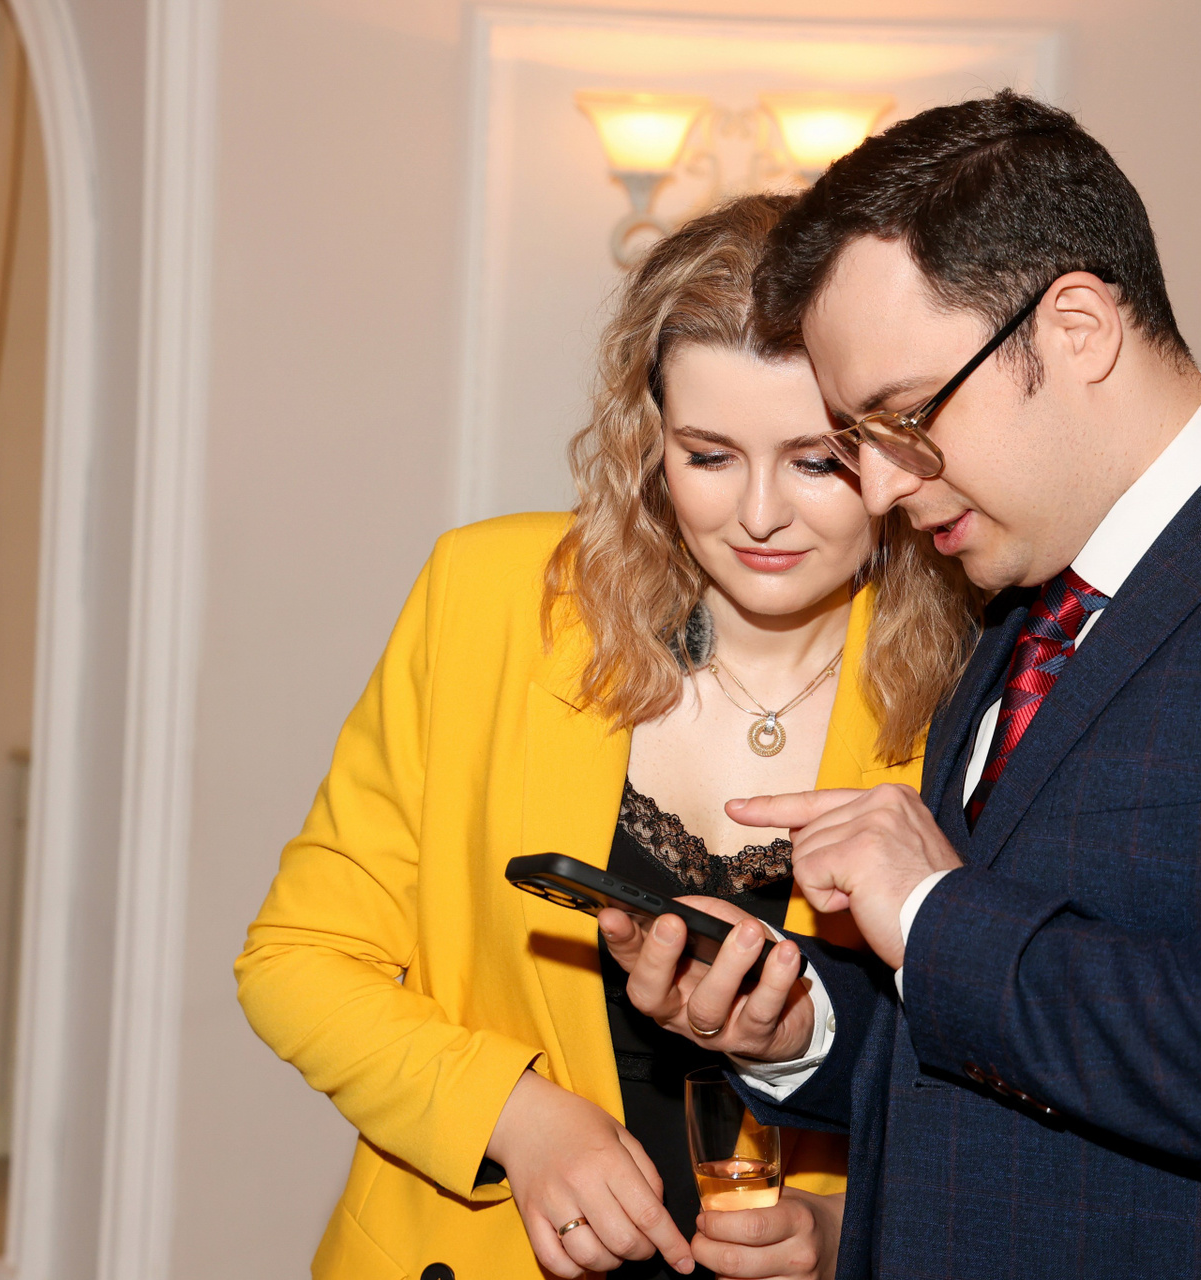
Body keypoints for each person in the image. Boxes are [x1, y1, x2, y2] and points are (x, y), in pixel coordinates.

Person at [604, 92, 1201, 1278]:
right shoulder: (1019, 601)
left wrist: (935, 917)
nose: (878, 488)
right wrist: (800, 1022)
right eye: (861, 436)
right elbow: (1008, 1059)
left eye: (906, 416)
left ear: (1076, 327)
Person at [234, 193, 976, 1280]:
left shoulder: (975, 683)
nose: (758, 514)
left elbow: (988, 1064)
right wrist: (515, 1115)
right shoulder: (492, 598)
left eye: (817, 461)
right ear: (649, 439)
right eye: (709, 455)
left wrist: (837, 1234)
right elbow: (298, 959)